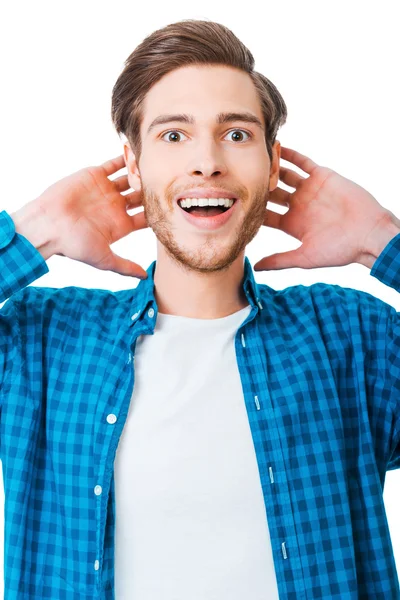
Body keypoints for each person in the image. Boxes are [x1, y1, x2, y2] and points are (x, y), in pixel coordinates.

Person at [1, 18, 400, 600]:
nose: (207, 162)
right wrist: (31, 234)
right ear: (133, 165)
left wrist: (383, 241)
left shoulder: (352, 339)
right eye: (172, 136)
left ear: (271, 159)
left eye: (237, 135)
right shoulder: (41, 344)